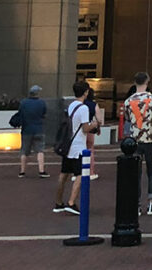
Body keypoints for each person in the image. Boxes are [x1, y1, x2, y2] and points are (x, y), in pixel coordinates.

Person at [53, 81, 95, 215]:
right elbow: (85, 128)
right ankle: (71, 202)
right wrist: (93, 124)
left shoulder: (71, 105)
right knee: (80, 175)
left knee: (64, 174)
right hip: (78, 146)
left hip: (68, 145)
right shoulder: (84, 108)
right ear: (85, 92)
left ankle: (58, 202)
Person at [123, 71, 152, 215]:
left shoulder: (128, 101)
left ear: (134, 82)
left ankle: (136, 205)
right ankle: (151, 204)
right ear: (147, 81)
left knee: (135, 173)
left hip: (134, 140)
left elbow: (127, 119)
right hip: (151, 139)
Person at [16, 84, 48, 178]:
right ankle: (41, 170)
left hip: (26, 129)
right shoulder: (42, 103)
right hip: (39, 129)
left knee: (24, 151)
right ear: (37, 93)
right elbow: (44, 114)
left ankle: (22, 171)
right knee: (40, 150)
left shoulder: (23, 103)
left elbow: (20, 114)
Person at [83, 85, 100, 180]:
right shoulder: (94, 105)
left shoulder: (81, 103)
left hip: (81, 127)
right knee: (90, 149)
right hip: (90, 127)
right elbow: (99, 119)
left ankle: (77, 172)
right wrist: (98, 127)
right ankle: (91, 172)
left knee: (79, 150)